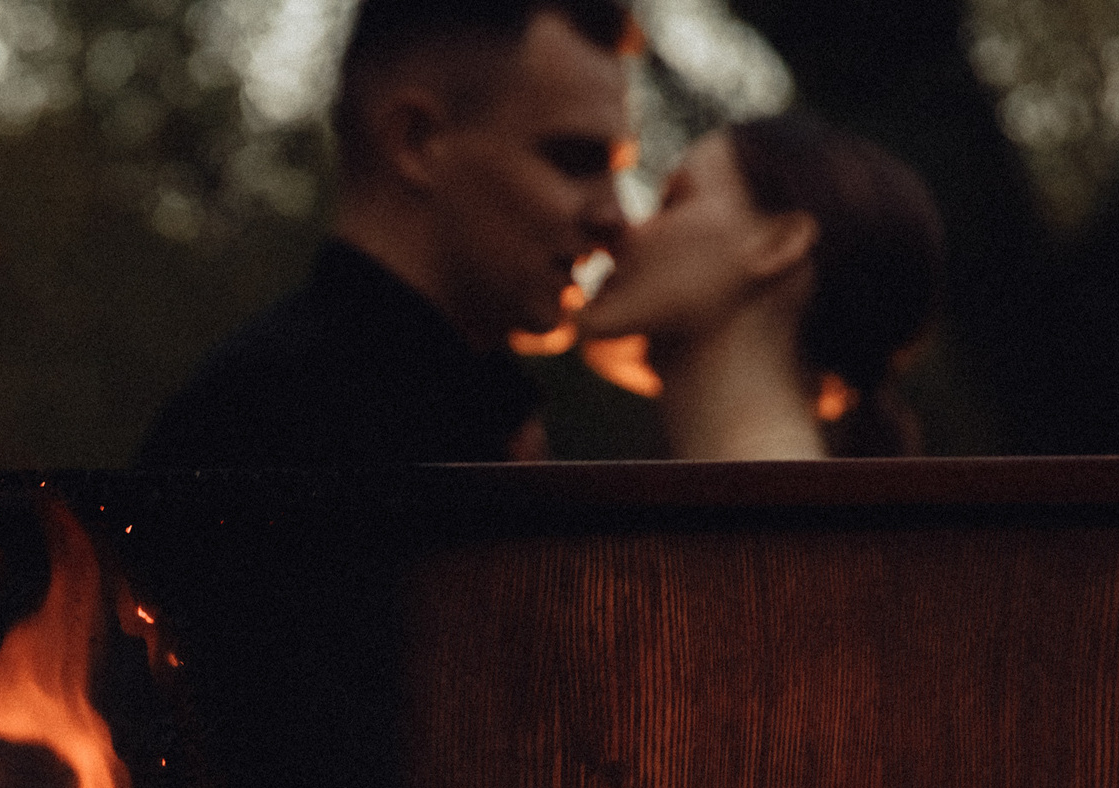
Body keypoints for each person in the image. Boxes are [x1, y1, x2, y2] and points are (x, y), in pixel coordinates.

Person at [136, 0, 634, 467]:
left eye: (616, 170)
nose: (616, 217)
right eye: (574, 159)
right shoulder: (276, 432)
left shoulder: (471, 412)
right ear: (415, 141)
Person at [576, 111, 944, 458]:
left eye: (673, 200)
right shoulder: (813, 507)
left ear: (778, 244)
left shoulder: (778, 515)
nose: (624, 230)